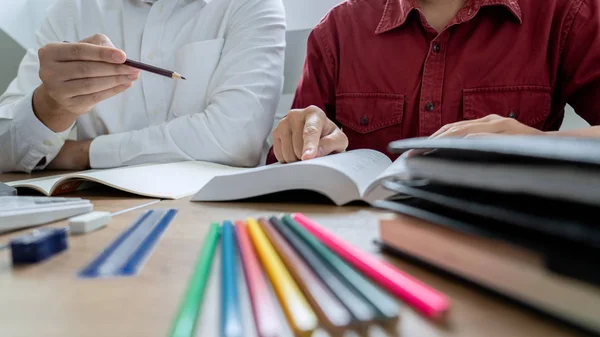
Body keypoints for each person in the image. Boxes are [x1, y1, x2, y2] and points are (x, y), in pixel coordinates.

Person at [269, 0, 600, 164]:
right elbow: (288, 167)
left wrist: (539, 146)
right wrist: (297, 140)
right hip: (363, 246)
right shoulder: (338, 30)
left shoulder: (565, 13)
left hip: (509, 245)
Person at [0, 0, 285, 172]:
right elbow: (4, 150)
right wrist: (51, 108)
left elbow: (234, 142)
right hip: (92, 213)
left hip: (212, 213)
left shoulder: (250, 4)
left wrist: (82, 153)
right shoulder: (73, 9)